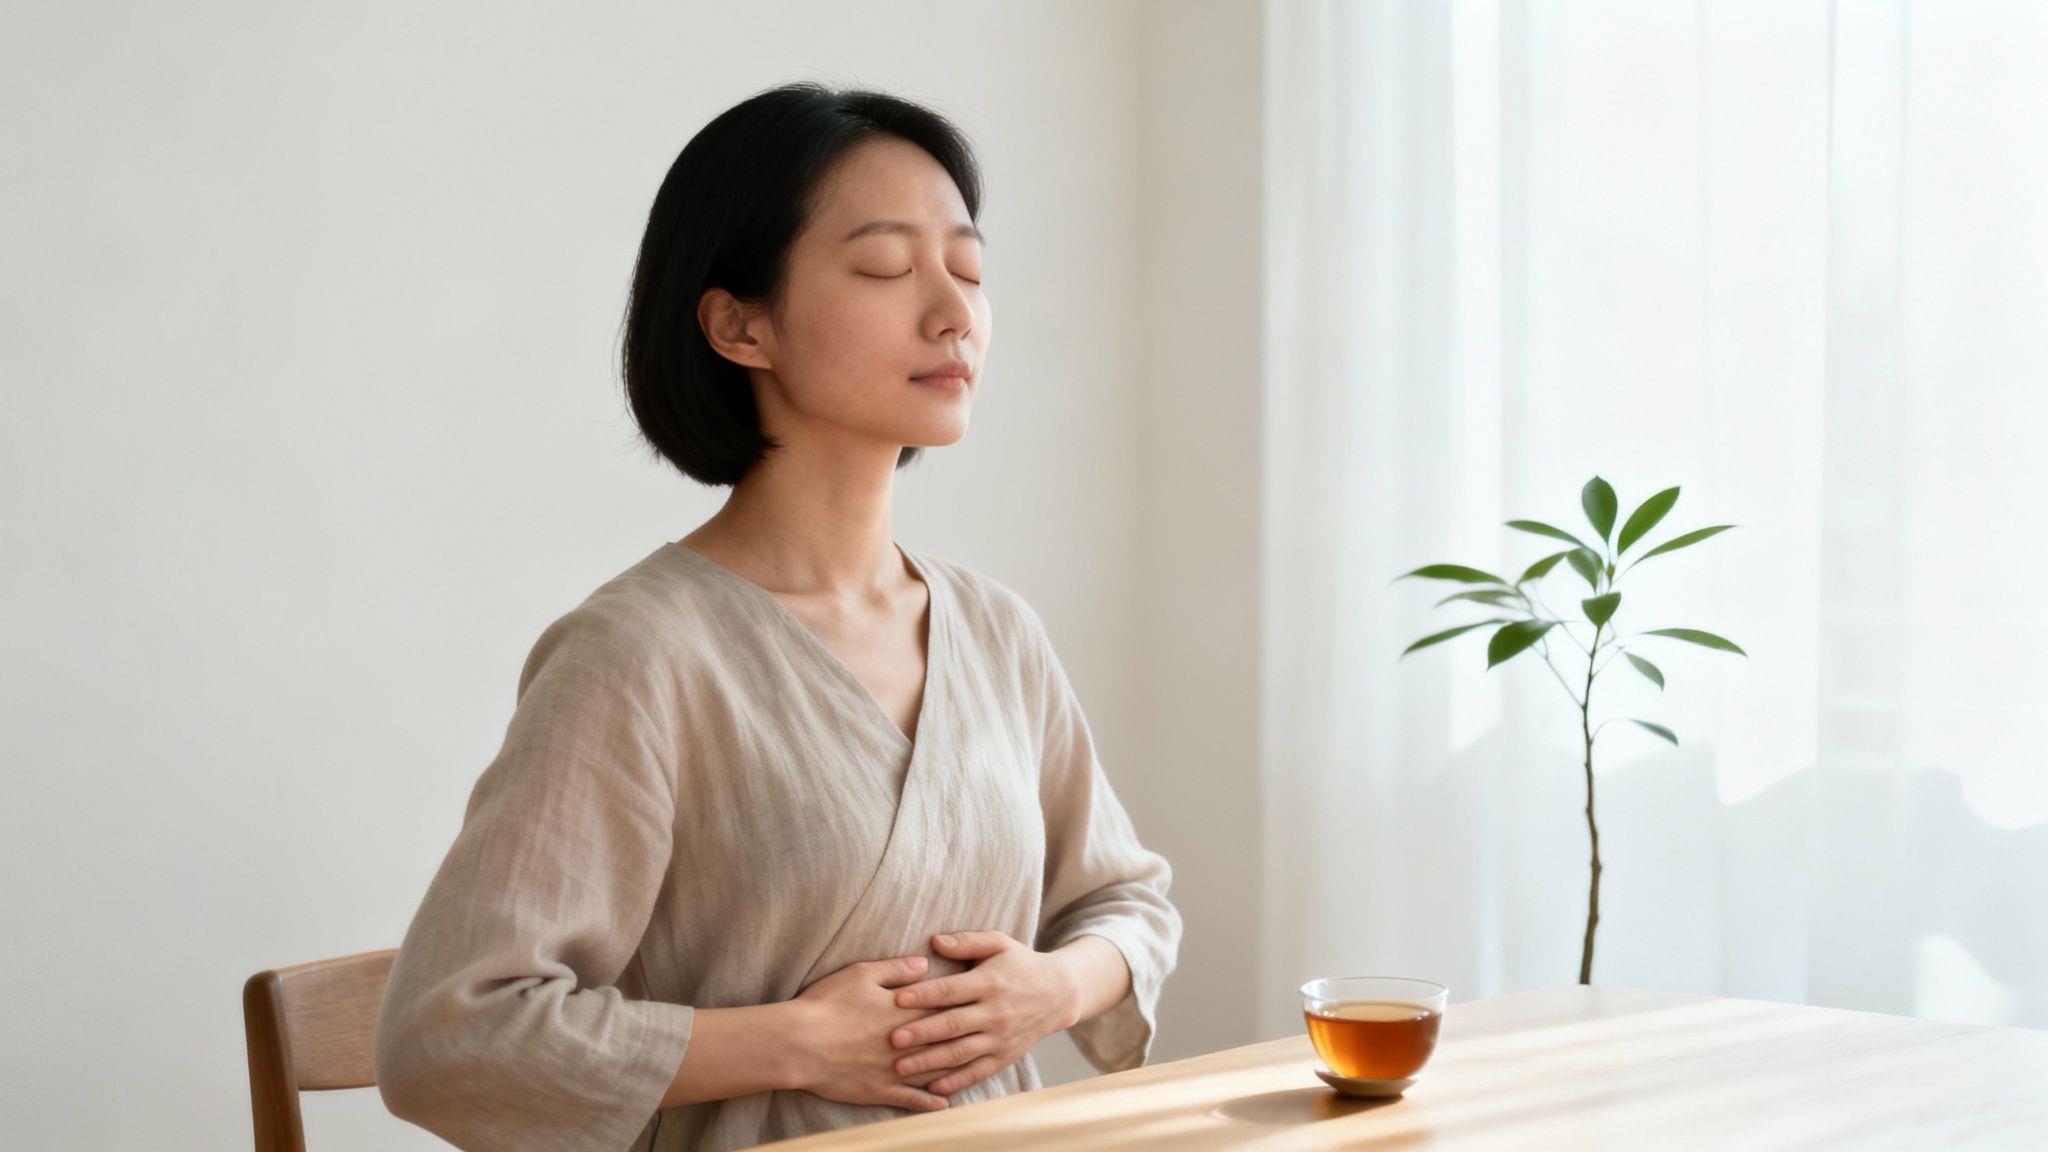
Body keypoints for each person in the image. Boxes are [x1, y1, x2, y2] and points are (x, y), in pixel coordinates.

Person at [371, 81, 1183, 1152]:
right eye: (888, 268)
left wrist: (1054, 989)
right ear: (738, 323)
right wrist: (791, 1042)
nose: (954, 313)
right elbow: (449, 1037)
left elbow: (1128, 902)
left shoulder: (993, 631)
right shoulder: (638, 655)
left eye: (970, 269)